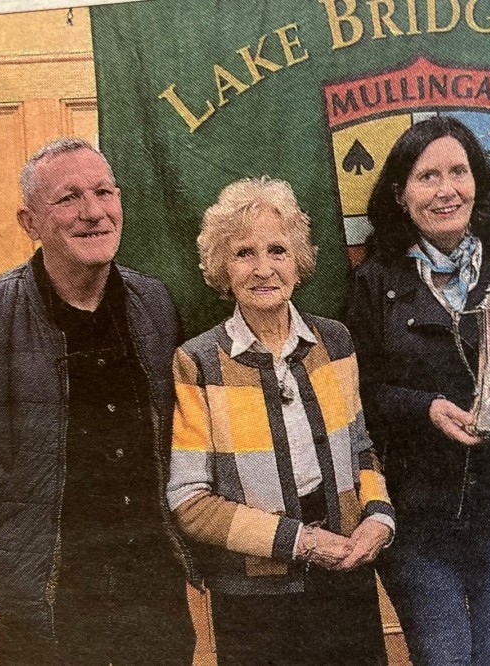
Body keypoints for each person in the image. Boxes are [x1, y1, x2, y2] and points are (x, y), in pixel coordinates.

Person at [0, 138, 195, 665]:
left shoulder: (156, 304)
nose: (93, 212)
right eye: (68, 198)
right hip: (47, 605)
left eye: (103, 192)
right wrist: (18, 532)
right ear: (30, 222)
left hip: (153, 596)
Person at [346, 116, 490, 666]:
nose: (446, 190)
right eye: (427, 176)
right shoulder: (373, 280)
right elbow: (362, 394)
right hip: (419, 515)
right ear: (399, 194)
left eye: (459, 172)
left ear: (479, 183)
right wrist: (428, 409)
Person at [167, 175, 394, 666]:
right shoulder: (198, 362)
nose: (263, 268)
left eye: (278, 250)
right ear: (221, 269)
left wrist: (379, 517)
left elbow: (362, 451)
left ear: (299, 262)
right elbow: (189, 501)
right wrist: (303, 543)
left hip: (346, 577)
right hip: (252, 598)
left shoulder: (335, 342)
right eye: (244, 253)